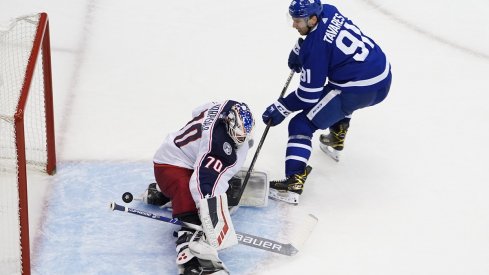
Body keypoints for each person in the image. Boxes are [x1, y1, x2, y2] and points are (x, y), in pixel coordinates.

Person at [262, 0, 392, 203]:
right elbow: (323, 39)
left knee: (301, 124)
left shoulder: (315, 50)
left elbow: (308, 95)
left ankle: (293, 181)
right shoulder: (328, 9)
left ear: (312, 19)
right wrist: (299, 49)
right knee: (334, 91)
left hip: (358, 89)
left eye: (297, 21)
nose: (294, 25)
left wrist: (282, 106)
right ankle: (337, 135)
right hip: (382, 76)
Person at [142, 100, 255, 275]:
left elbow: (197, 111)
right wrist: (209, 215)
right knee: (192, 207)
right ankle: (189, 247)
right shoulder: (216, 146)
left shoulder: (225, 105)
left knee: (199, 181)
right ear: (229, 123)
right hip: (169, 167)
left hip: (174, 151)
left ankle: (164, 193)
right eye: (238, 136)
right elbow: (202, 182)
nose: (241, 140)